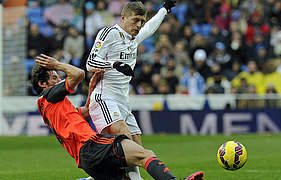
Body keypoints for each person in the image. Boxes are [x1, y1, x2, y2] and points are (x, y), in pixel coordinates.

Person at [32, 54, 204, 180]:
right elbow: (78, 74)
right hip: (92, 146)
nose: (60, 79)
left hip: (86, 161)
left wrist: (93, 88)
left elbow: (85, 111)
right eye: (55, 77)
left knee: (128, 178)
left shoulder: (54, 108)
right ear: (42, 84)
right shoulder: (48, 96)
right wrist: (57, 64)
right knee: (144, 154)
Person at [86, 1, 176, 179]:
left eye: (141, 21)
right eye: (135, 20)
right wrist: (114, 64)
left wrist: (164, 10)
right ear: (123, 18)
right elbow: (90, 63)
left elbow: (150, 27)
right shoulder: (109, 33)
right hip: (104, 97)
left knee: (137, 146)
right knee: (126, 140)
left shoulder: (133, 38)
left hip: (123, 102)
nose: (139, 25)